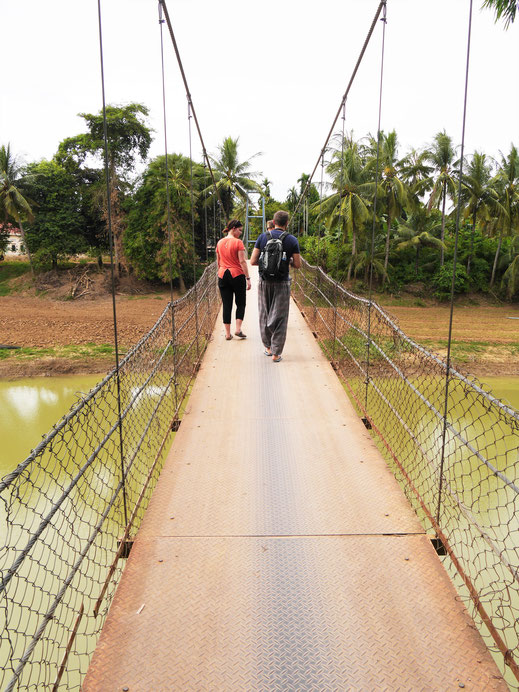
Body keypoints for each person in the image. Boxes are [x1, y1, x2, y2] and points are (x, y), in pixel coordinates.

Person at [250, 210, 301, 362]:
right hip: (282, 282)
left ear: (273, 221)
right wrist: (286, 261)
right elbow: (297, 264)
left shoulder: (263, 237)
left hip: (264, 281)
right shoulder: (292, 240)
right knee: (280, 318)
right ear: (287, 223)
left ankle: (267, 347)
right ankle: (276, 353)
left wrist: (266, 262)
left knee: (264, 313)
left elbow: (252, 261)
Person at [216, 219, 251, 340]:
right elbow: (242, 261)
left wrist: (220, 273)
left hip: (222, 275)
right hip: (237, 275)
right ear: (234, 228)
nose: (241, 232)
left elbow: (218, 261)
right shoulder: (238, 242)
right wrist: (248, 278)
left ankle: (227, 334)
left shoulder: (219, 242)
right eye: (240, 230)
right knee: (240, 303)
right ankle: (237, 329)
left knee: (226, 304)